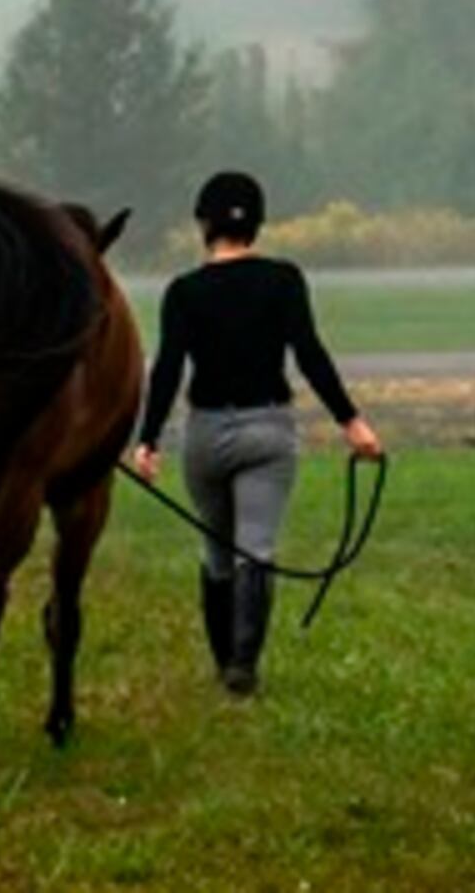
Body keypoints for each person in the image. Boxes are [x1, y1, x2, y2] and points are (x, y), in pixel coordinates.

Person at [126, 169, 384, 696]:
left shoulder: (183, 292)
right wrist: (351, 421)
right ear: (258, 224)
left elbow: (169, 369)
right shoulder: (283, 280)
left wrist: (147, 440)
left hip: (205, 432)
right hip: (267, 429)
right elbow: (309, 354)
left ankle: (224, 661)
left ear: (203, 223)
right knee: (256, 549)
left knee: (216, 551)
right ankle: (244, 664)